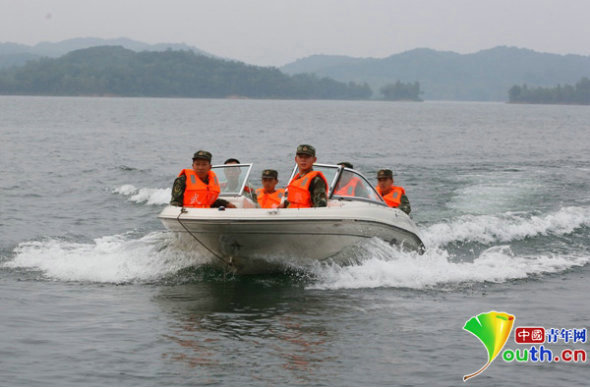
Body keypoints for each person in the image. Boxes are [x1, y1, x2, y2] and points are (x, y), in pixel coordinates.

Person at [169, 150, 235, 208]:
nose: (200, 168)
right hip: (188, 214)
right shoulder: (182, 180)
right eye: (197, 164)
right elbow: (175, 203)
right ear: (193, 166)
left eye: (204, 164)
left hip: (207, 214)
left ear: (210, 167)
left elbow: (207, 200)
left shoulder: (211, 180)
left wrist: (225, 203)